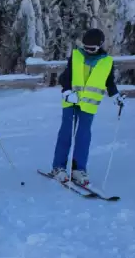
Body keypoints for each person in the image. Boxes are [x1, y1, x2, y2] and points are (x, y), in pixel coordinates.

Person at [50, 28, 125, 186]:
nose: (88, 51)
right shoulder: (76, 55)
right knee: (66, 133)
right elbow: (65, 77)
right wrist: (67, 91)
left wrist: (116, 96)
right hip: (71, 100)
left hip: (89, 105)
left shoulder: (107, 61)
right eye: (85, 47)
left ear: (100, 46)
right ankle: (58, 167)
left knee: (83, 137)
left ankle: (78, 169)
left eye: (92, 48)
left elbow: (109, 82)